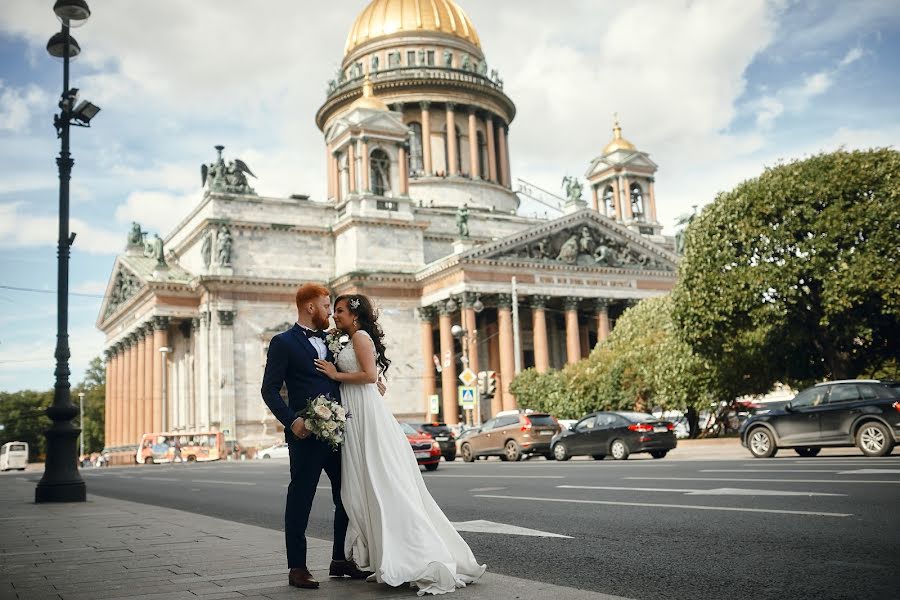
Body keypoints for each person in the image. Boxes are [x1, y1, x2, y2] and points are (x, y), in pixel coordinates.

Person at [314, 294, 486, 595]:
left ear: (354, 315)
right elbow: (370, 376)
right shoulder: (345, 338)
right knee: (366, 485)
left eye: (339, 311)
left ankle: (412, 556)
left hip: (367, 415)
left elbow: (368, 376)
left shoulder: (362, 337)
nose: (335, 316)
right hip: (357, 412)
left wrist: (335, 374)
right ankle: (385, 559)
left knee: (383, 483)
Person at [261, 284, 374, 589]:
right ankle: (297, 567)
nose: (330, 313)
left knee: (346, 494)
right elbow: (269, 390)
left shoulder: (334, 340)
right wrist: (292, 421)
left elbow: (360, 368)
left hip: (339, 432)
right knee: (301, 498)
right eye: (326, 306)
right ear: (311, 308)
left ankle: (339, 559)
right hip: (306, 433)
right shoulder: (283, 342)